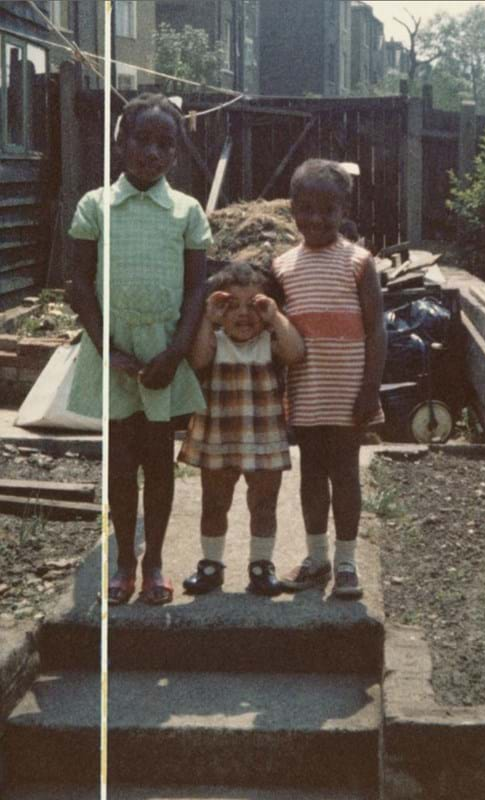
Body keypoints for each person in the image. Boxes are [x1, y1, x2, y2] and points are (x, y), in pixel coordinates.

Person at [68, 93, 212, 605]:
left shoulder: (186, 211)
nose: (152, 152)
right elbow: (78, 284)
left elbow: (198, 287)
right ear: (121, 143)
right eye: (141, 140)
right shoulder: (96, 205)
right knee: (120, 461)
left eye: (165, 144)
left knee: (158, 460)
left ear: (175, 153)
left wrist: (174, 354)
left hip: (163, 356)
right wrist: (109, 349)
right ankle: (124, 560)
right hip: (114, 352)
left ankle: (154, 562)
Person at [272, 158, 387, 599]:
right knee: (310, 476)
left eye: (328, 209)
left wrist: (370, 389)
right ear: (293, 208)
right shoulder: (282, 266)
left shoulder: (359, 262)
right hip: (306, 391)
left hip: (348, 391)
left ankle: (346, 562)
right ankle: (316, 558)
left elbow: (376, 329)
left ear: (343, 210)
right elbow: (278, 333)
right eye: (306, 209)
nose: (316, 219)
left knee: (345, 474)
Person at [178, 262, 304, 596]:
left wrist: (275, 316)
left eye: (255, 305)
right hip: (217, 439)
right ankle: (211, 565)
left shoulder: (270, 340)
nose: (244, 314)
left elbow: (296, 351)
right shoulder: (215, 340)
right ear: (219, 310)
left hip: (264, 440)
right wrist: (208, 318)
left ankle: (261, 566)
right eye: (232, 305)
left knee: (264, 505)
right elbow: (199, 361)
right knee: (214, 503)